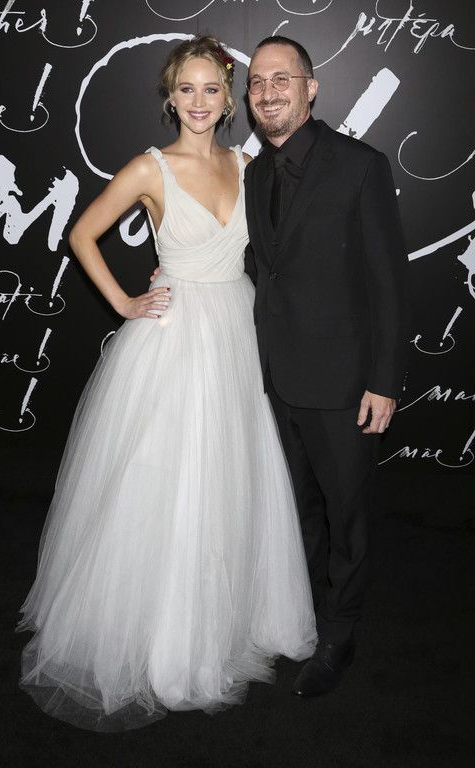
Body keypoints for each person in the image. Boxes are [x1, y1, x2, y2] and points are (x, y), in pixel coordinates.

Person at [16, 35, 316, 732]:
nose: (199, 102)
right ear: (170, 97)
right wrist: (125, 302)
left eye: (212, 89)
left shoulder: (249, 166)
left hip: (237, 333)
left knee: (233, 479)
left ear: (230, 100)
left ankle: (232, 621)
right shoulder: (149, 169)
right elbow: (82, 235)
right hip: (175, 338)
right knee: (172, 485)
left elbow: (273, 252)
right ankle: (168, 642)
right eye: (187, 89)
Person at [243, 36, 408, 698]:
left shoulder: (361, 166)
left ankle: (340, 634)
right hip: (273, 378)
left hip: (344, 384)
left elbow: (389, 283)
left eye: (282, 79)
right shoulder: (254, 174)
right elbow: (263, 267)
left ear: (311, 89)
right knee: (295, 515)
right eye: (257, 82)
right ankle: (301, 618)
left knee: (348, 517)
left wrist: (384, 382)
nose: (268, 92)